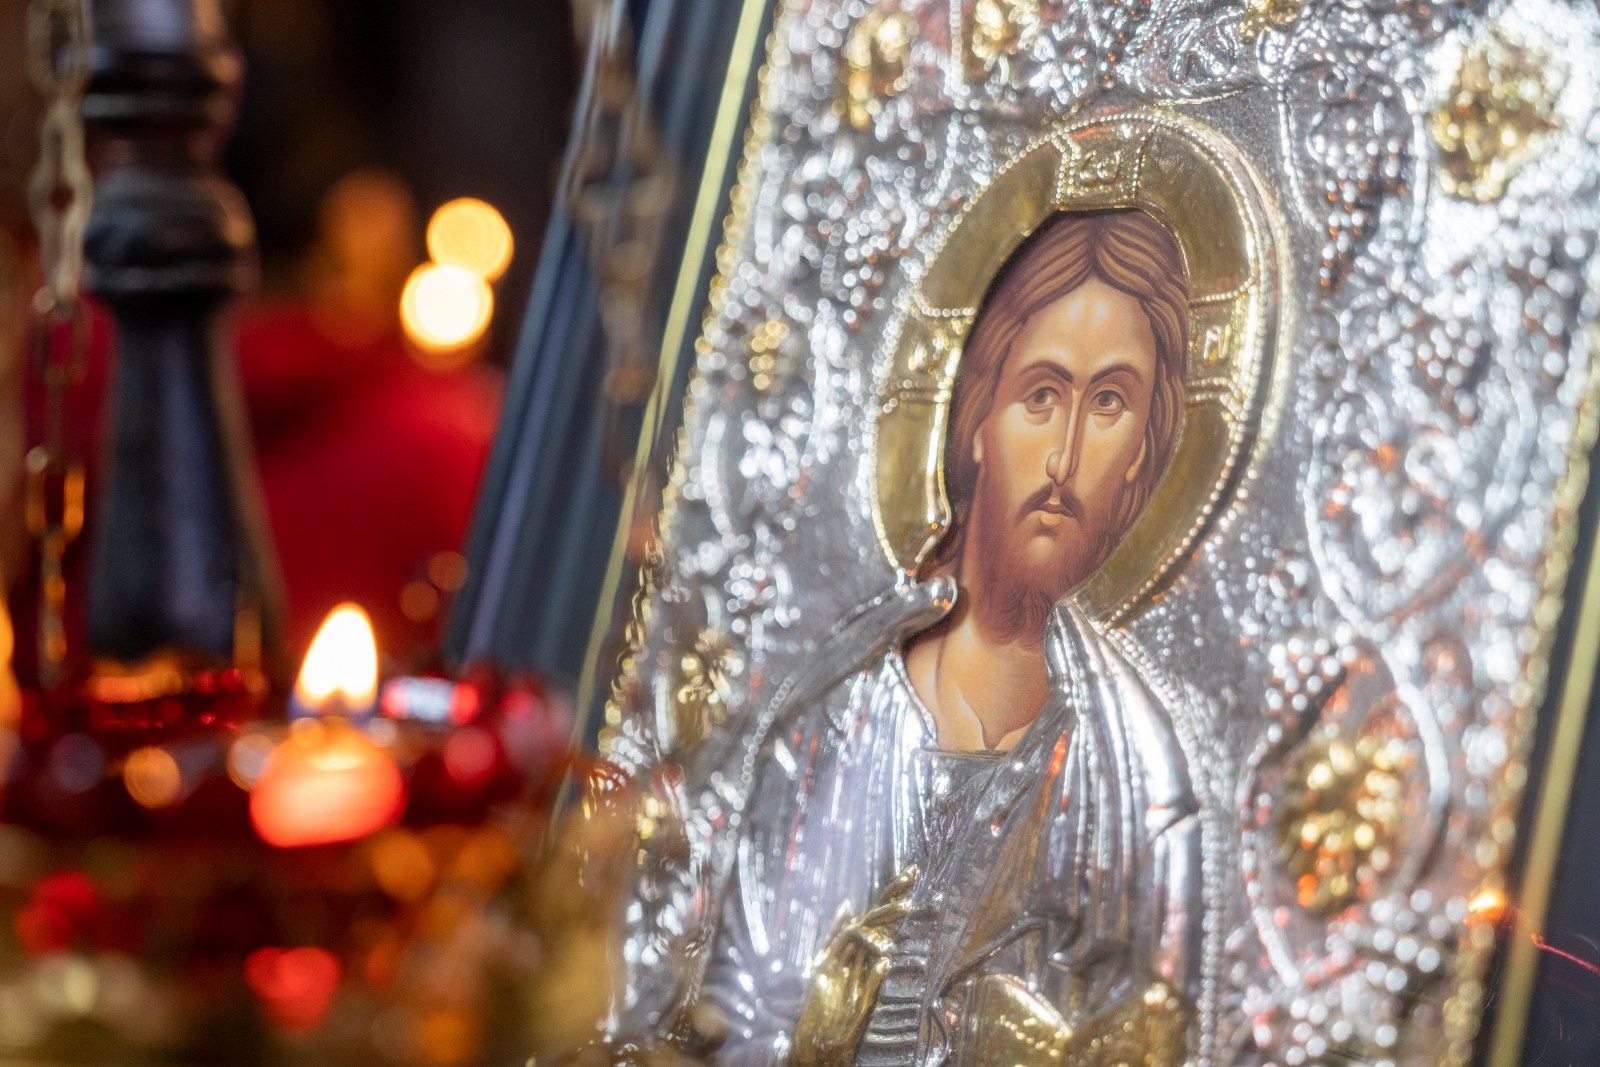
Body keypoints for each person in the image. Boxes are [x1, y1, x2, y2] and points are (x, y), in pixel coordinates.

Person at [682, 209, 1202, 1066]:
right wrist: (815, 1031)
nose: (1065, 458)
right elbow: (730, 1009)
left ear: (1146, 452)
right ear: (978, 419)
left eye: (1110, 403)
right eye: (1042, 395)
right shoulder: (837, 726)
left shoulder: (1136, 775)